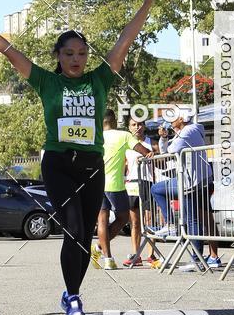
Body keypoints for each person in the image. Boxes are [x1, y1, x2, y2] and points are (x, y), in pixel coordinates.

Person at [0, 0, 158, 315]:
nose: (76, 59)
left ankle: (70, 292)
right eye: (69, 53)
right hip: (58, 164)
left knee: (83, 234)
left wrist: (146, 4)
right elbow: (8, 50)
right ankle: (74, 299)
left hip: (91, 165)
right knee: (73, 228)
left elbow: (124, 40)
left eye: (82, 53)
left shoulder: (99, 79)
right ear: (58, 56)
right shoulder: (47, 81)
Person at [150, 114, 216, 271]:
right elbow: (166, 152)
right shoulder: (188, 130)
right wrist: (165, 138)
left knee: (192, 220)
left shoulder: (189, 130)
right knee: (158, 190)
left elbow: (172, 151)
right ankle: (197, 256)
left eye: (174, 117)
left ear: (182, 118)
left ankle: (197, 258)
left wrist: (171, 137)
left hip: (191, 182)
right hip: (192, 180)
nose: (170, 120)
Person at [91, 111, 151, 270]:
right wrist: (150, 153)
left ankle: (107, 258)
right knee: (123, 217)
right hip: (115, 184)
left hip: (97, 183)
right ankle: (99, 248)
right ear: (114, 120)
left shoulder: (95, 137)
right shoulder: (123, 135)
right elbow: (143, 150)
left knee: (102, 219)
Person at [123, 116, 156, 268]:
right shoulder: (125, 144)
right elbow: (123, 167)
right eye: (133, 124)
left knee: (149, 221)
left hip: (147, 183)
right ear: (129, 127)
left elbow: (161, 162)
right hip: (131, 185)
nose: (137, 127)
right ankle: (136, 255)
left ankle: (151, 255)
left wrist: (151, 157)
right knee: (135, 222)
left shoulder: (151, 143)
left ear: (144, 126)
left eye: (140, 124)